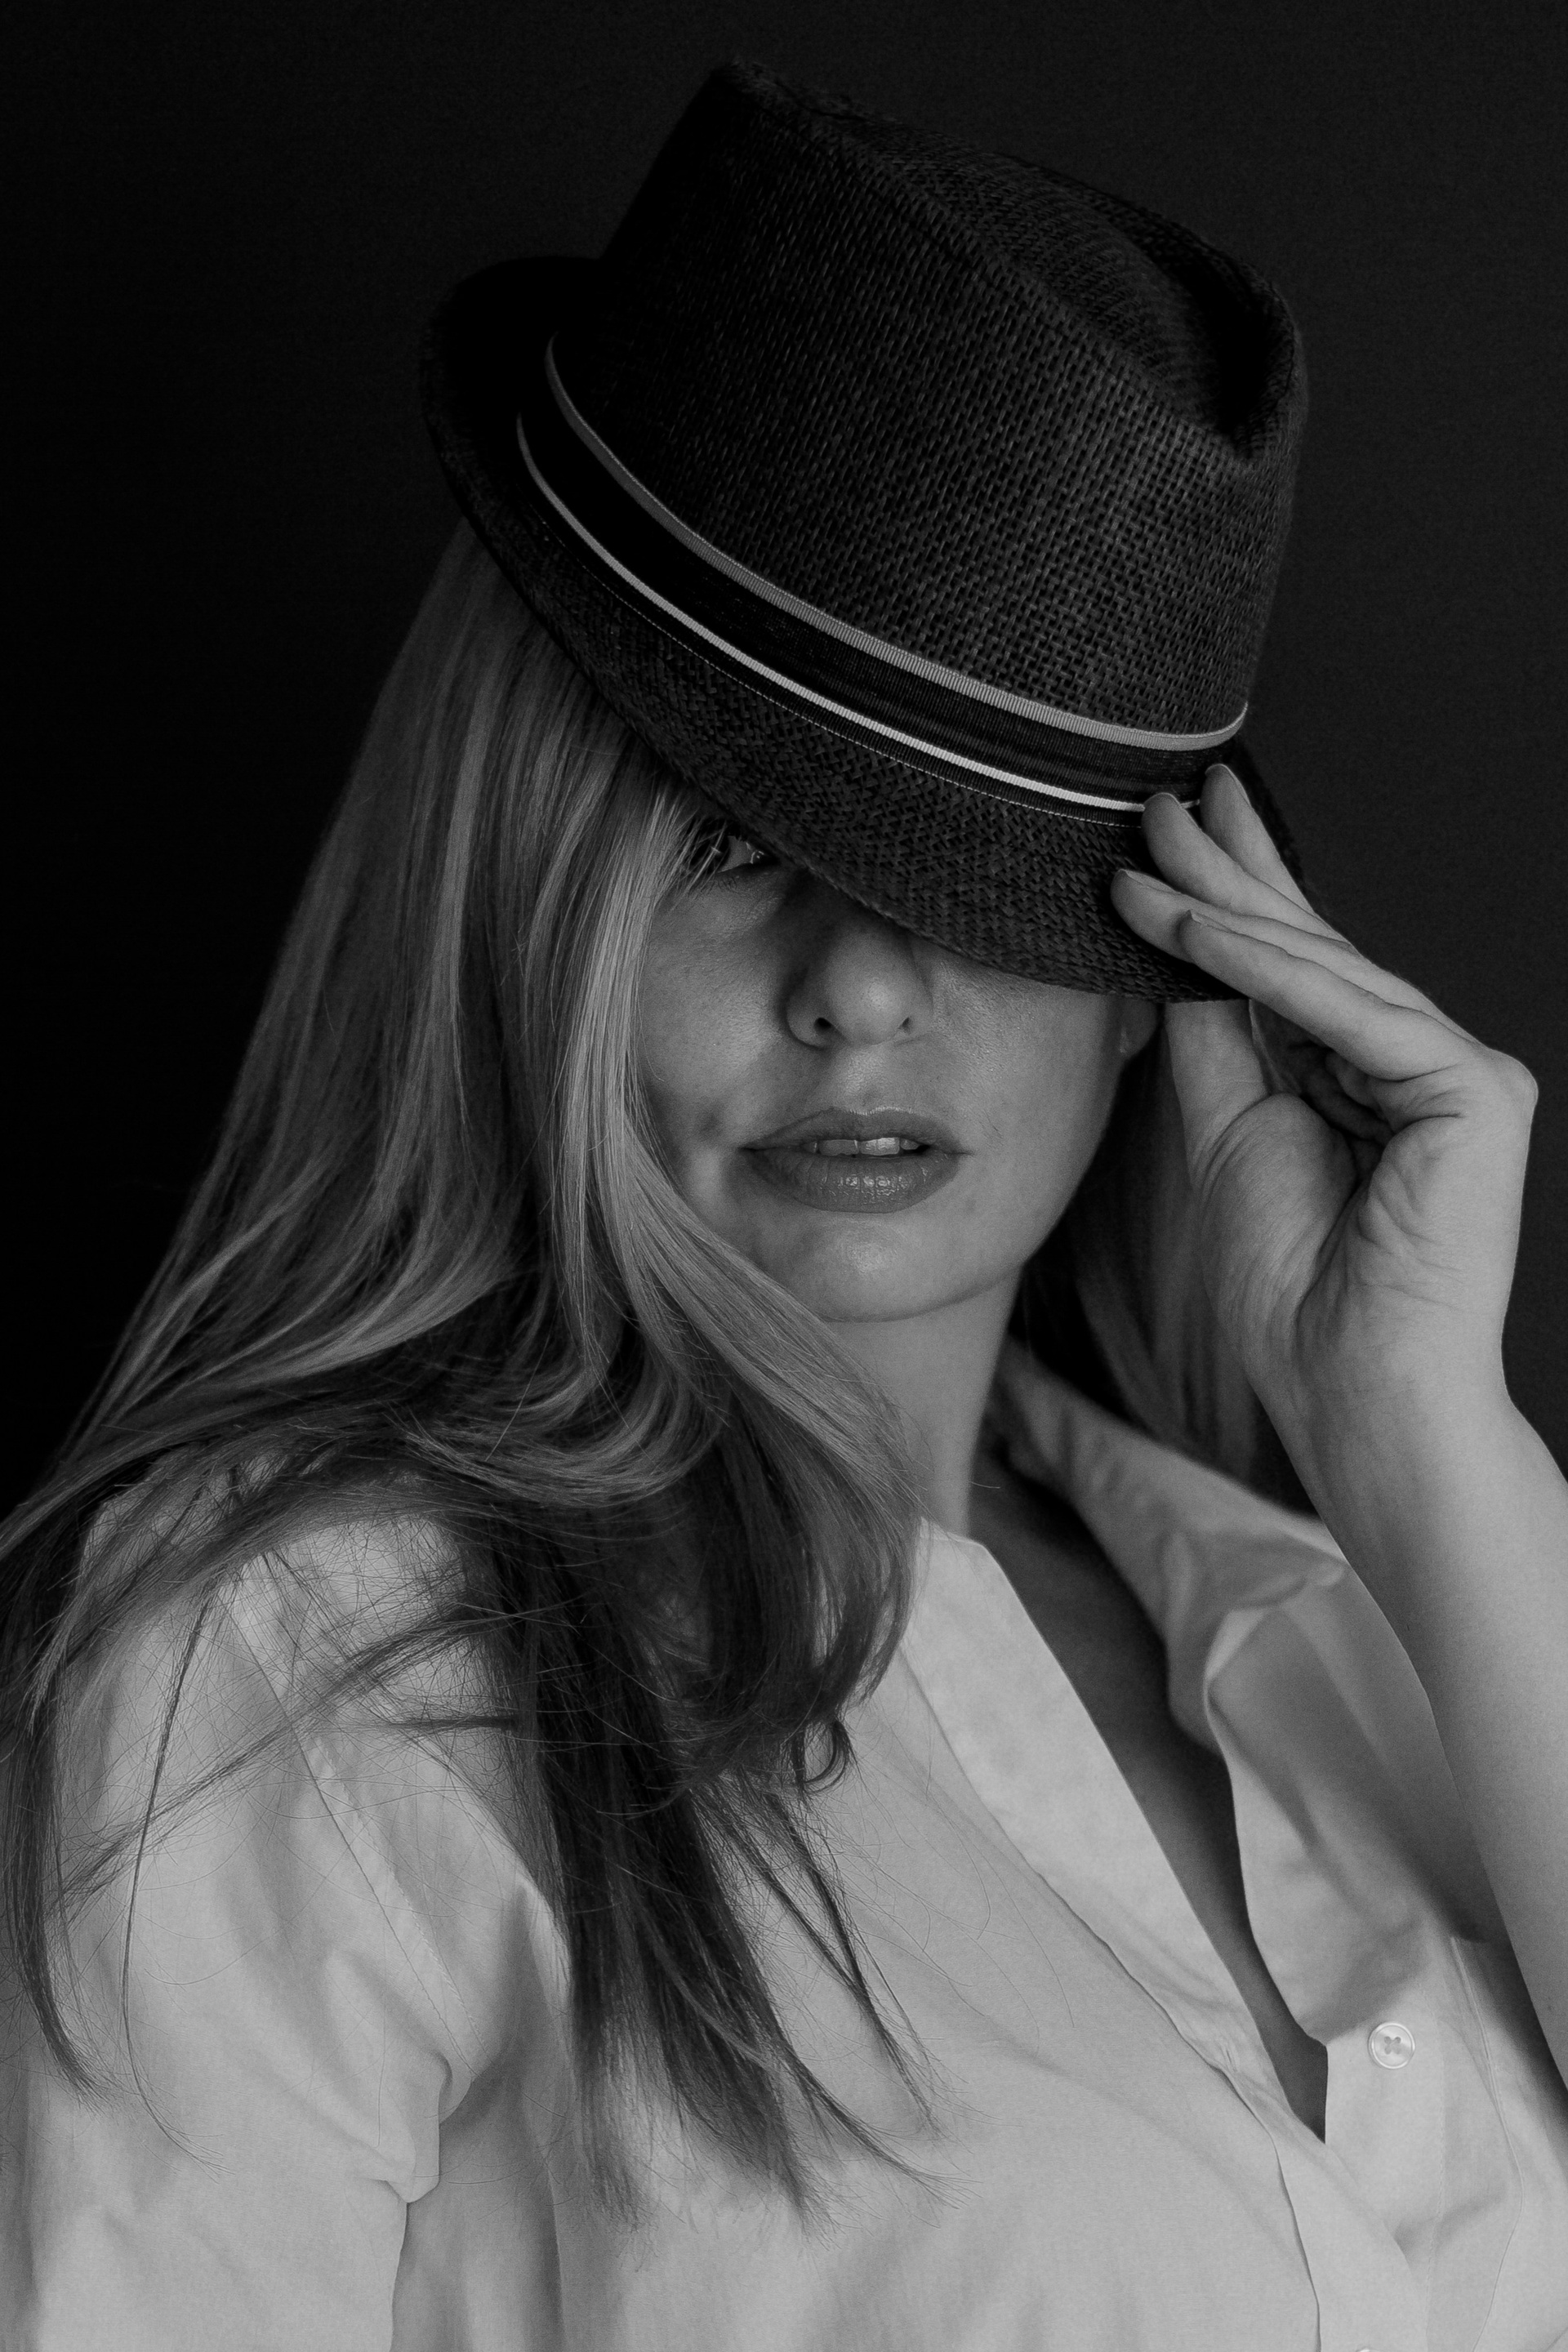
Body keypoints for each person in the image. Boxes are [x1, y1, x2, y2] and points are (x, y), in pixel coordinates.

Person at [2, 56, 1566, 2351]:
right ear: (528, 889)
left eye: (996, 881)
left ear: (1177, 963)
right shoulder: (291, 1661)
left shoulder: (1359, 1627)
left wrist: (1421, 1433)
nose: (863, 989)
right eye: (731, 846)